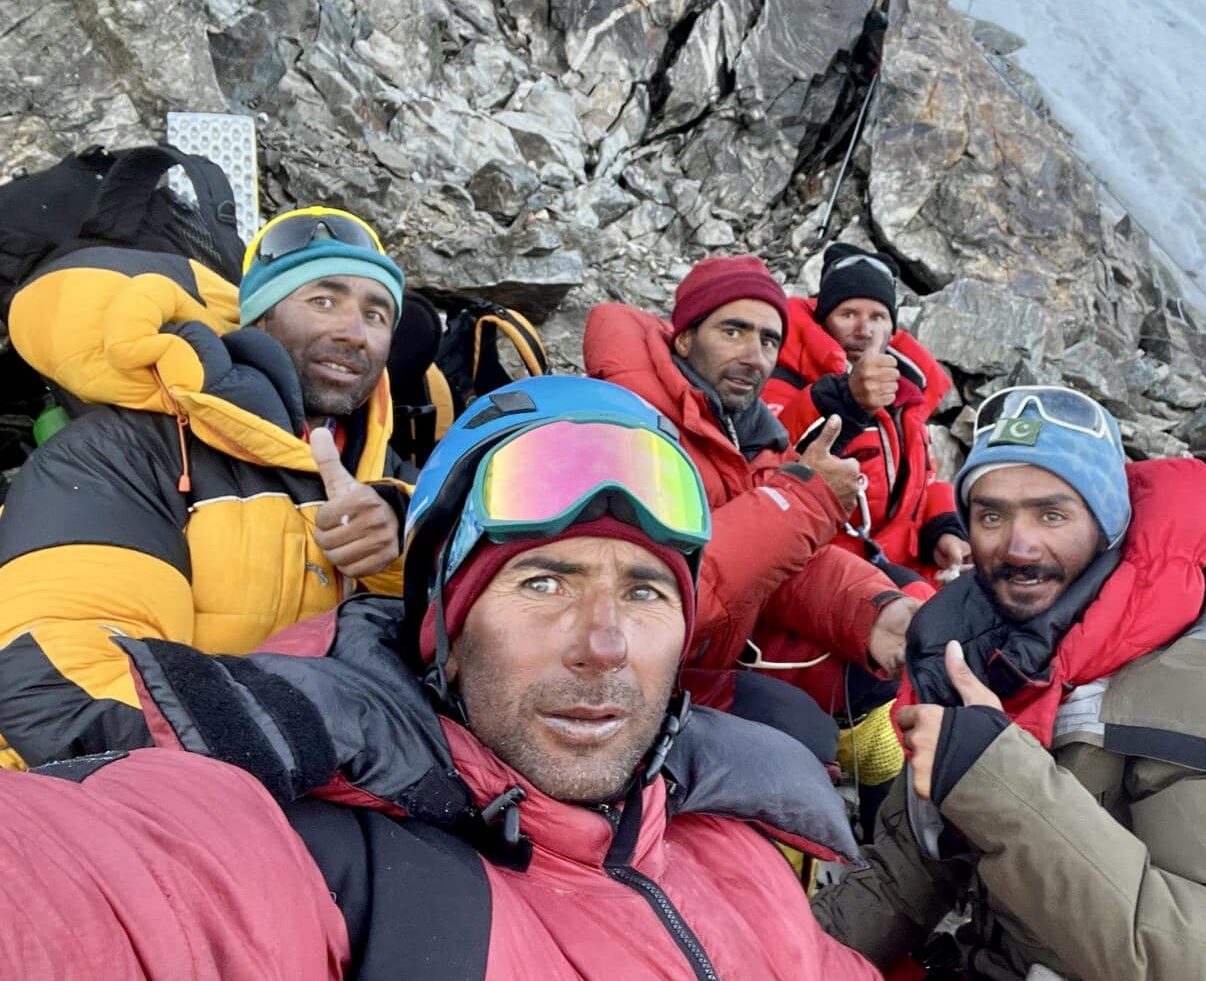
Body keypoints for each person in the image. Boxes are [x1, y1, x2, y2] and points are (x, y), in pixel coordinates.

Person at [0, 376, 885, 980]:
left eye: (647, 589)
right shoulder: (339, 866)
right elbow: (103, 890)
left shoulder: (731, 847)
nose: (604, 644)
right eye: (544, 581)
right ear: (443, 629)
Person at [811, 385, 1206, 981]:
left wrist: (1000, 786)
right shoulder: (978, 653)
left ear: (1108, 526)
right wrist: (781, 957)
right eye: (991, 514)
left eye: (1052, 513)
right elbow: (907, 871)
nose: (1019, 546)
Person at [0, 206, 415, 770]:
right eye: (323, 300)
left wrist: (399, 543)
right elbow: (59, 680)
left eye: (378, 314)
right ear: (258, 323)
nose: (353, 331)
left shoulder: (390, 475)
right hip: (156, 798)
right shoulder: (121, 452)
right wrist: (286, 762)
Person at [583, 255, 923, 718]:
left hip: (710, 651)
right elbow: (654, 593)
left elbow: (785, 567)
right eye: (733, 331)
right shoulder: (625, 424)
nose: (753, 355)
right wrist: (805, 500)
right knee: (798, 730)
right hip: (617, 679)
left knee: (868, 681)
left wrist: (875, 613)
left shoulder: (748, 433)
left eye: (768, 340)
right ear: (683, 337)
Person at [762, 243, 969, 591]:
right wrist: (846, 399)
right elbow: (770, 463)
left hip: (896, 559)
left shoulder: (906, 394)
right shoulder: (782, 378)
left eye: (877, 317)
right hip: (820, 568)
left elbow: (924, 481)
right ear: (823, 320)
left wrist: (944, 529)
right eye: (848, 314)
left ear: (891, 327)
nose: (864, 330)